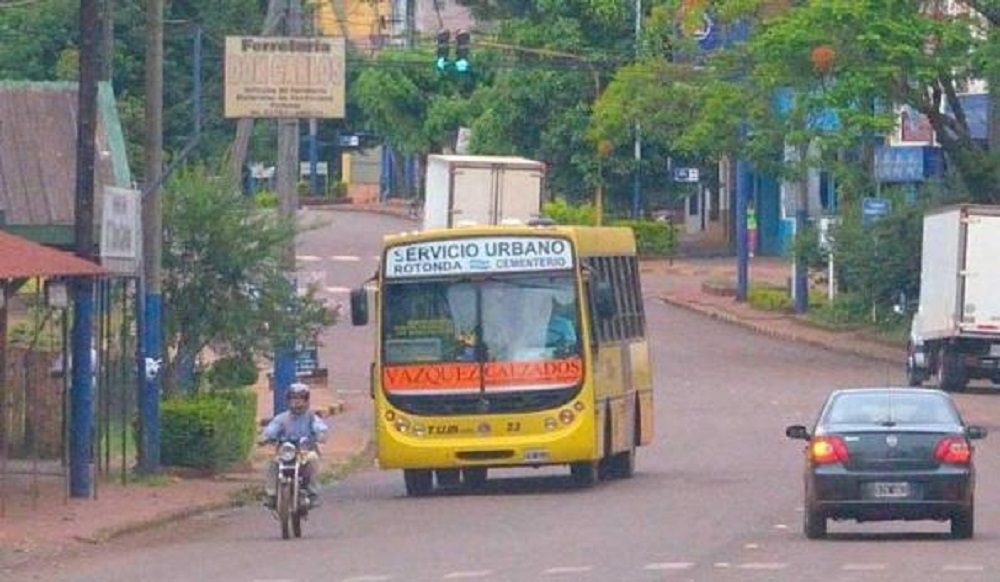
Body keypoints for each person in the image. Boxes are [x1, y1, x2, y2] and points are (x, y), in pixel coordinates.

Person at [259, 382, 329, 509]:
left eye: (301, 398)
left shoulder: (311, 417)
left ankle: (313, 493)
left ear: (307, 401)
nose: (297, 402)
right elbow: (271, 429)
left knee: (313, 459)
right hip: (286, 453)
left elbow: (320, 428)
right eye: (293, 398)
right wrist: (265, 437)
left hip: (305, 452)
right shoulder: (281, 418)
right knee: (273, 463)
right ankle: (271, 494)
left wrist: (321, 435)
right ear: (288, 401)